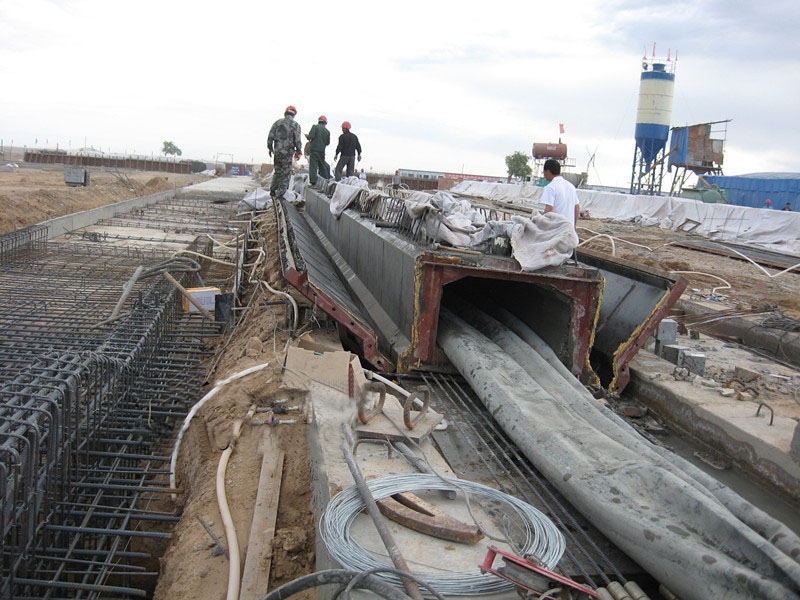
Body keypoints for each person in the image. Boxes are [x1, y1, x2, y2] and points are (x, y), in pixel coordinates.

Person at [267, 105, 303, 199]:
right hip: (287, 153)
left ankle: (273, 190)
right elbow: (297, 140)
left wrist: (270, 148)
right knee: (286, 173)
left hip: (277, 151)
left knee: (278, 171)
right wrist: (299, 151)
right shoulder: (295, 125)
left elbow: (270, 136)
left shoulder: (277, 123)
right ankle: (280, 194)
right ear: (294, 114)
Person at [540, 158, 579, 230]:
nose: (544, 174)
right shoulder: (571, 186)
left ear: (548, 171)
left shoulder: (550, 187)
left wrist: (542, 226)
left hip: (556, 229)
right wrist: (574, 226)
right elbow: (576, 207)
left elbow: (549, 209)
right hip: (569, 228)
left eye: (544, 172)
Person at [306, 115, 331, 185]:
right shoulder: (327, 132)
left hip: (314, 150)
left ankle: (313, 182)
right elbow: (328, 142)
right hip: (322, 152)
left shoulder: (315, 127)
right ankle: (326, 181)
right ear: (325, 123)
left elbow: (310, 136)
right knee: (322, 166)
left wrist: (307, 136)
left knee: (313, 166)